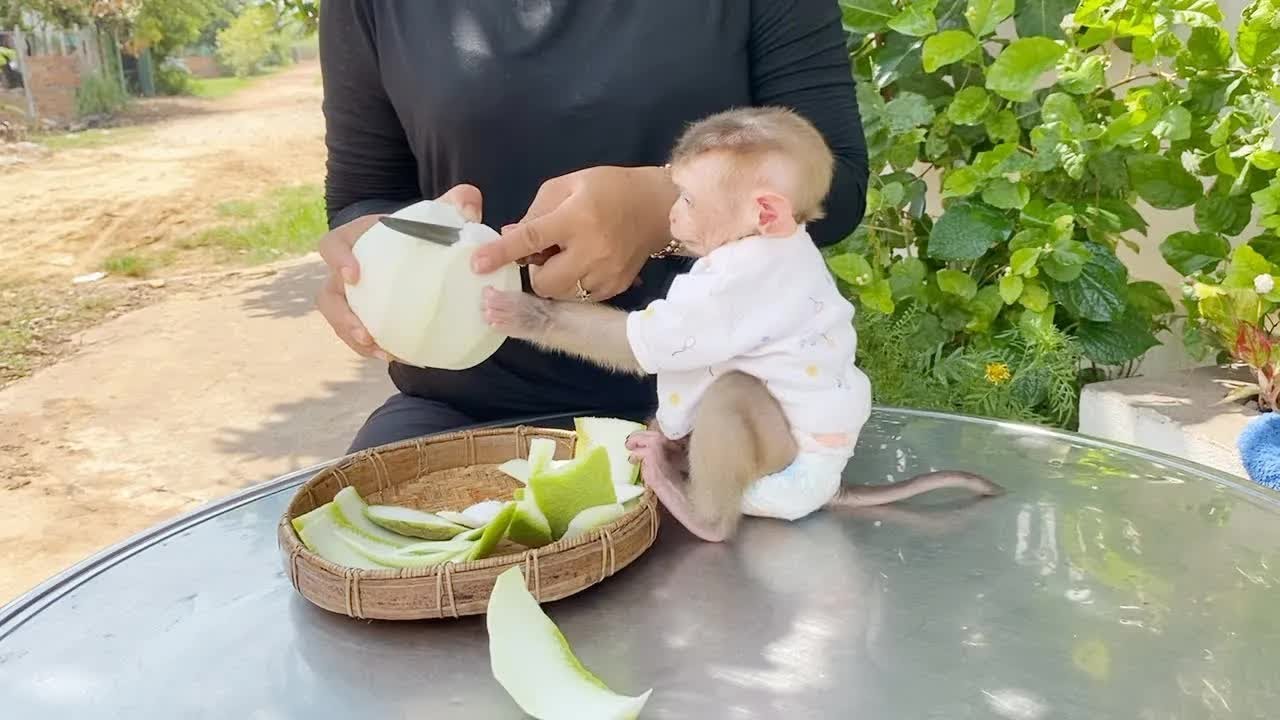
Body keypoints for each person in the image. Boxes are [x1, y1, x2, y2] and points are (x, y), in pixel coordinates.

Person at [315, 1, 870, 452]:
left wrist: (662, 208)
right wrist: (371, 255)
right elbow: (364, 193)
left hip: (726, 401)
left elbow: (837, 183)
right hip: (465, 413)